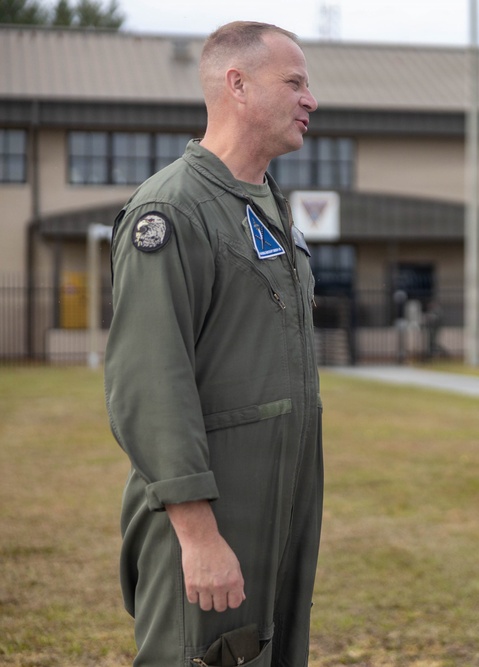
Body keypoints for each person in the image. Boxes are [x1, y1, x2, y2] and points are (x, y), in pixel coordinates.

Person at [104, 21, 323, 666]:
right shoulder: (173, 209)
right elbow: (150, 383)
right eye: (295, 82)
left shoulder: (267, 207)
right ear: (238, 85)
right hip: (209, 516)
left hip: (276, 507)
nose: (311, 100)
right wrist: (198, 534)